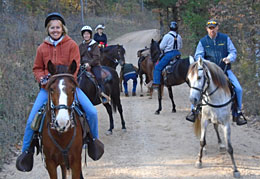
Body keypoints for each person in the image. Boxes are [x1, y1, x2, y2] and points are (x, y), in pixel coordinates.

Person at [16, 12, 101, 171]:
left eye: (58, 27)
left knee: (92, 112)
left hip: (68, 87)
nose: (55, 30)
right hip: (48, 88)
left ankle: (93, 141)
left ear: (63, 29)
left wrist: (68, 82)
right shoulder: (42, 48)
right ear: (48, 29)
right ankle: (26, 152)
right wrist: (42, 79)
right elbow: (37, 68)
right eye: (52, 27)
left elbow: (75, 67)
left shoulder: (72, 45)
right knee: (31, 120)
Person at [186, 19, 247, 126]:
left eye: (214, 28)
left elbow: (233, 51)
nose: (212, 30)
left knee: (238, 88)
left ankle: (238, 112)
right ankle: (194, 110)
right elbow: (198, 55)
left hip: (225, 70)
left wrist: (229, 58)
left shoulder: (225, 38)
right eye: (210, 28)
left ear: (217, 28)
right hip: (209, 72)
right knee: (198, 86)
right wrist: (206, 62)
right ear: (207, 29)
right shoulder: (203, 42)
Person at [79, 25, 109, 104]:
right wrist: (79, 63)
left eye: (88, 34)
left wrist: (89, 63)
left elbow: (96, 57)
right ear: (82, 35)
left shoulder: (95, 45)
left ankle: (102, 94)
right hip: (82, 66)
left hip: (94, 65)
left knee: (98, 77)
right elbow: (78, 56)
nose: (86, 36)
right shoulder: (80, 46)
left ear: (90, 35)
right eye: (85, 34)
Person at [152, 21, 182, 89]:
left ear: (170, 28)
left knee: (157, 67)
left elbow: (161, 47)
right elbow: (180, 46)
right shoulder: (179, 36)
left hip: (169, 54)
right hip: (178, 53)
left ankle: (156, 83)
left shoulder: (167, 36)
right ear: (176, 28)